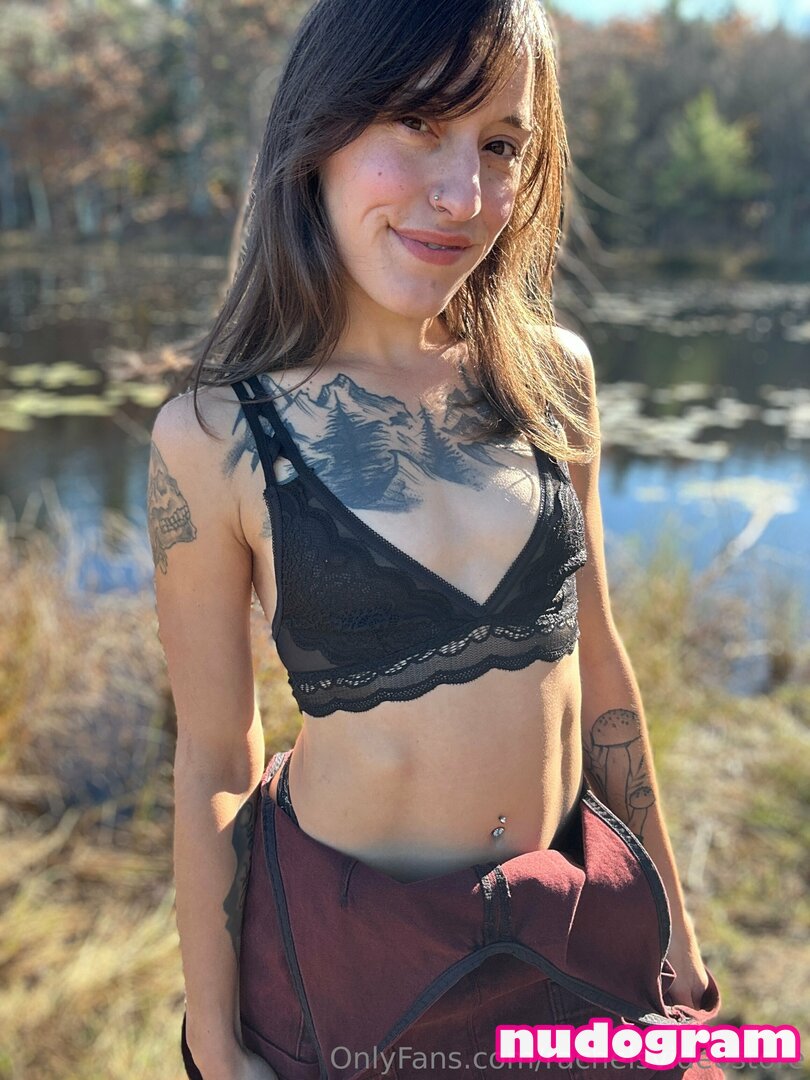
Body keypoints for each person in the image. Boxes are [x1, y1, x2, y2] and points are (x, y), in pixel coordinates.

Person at [148, 1, 723, 1078]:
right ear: (318, 130)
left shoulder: (550, 378)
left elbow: (599, 667)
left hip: (575, 935)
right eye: (418, 123)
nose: (464, 195)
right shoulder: (215, 438)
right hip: (357, 974)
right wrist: (216, 1045)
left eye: (501, 145)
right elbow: (216, 758)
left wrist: (675, 938)